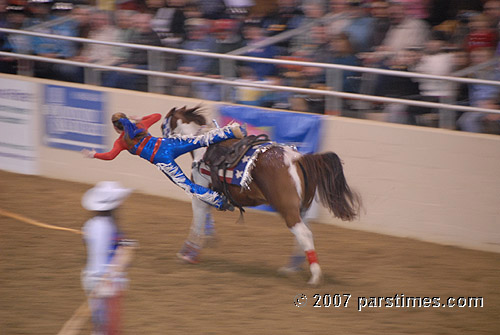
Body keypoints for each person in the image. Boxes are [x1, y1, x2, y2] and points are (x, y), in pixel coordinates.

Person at [82, 113, 246, 210]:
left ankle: (219, 201)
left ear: (116, 127)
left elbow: (110, 156)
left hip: (162, 160)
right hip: (167, 144)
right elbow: (157, 116)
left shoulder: (122, 141)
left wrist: (94, 154)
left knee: (187, 185)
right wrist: (138, 119)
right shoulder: (140, 125)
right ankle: (230, 131)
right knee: (201, 140)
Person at [81, 181, 133, 335]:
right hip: (106, 282)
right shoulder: (110, 227)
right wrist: (125, 249)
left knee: (100, 325)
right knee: (109, 329)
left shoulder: (90, 225)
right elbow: (118, 254)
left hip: (92, 278)